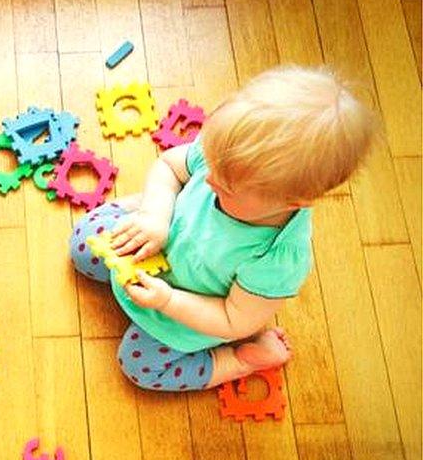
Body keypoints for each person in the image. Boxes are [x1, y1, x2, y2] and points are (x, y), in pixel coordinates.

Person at [69, 66, 378, 391]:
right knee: (82, 245)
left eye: (226, 188)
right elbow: (169, 166)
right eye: (211, 163)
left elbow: (234, 320)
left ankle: (240, 362)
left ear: (294, 201)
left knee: (140, 366)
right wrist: (153, 216)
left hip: (187, 309)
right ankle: (151, 206)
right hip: (158, 241)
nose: (209, 179)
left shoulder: (277, 259)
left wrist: (167, 302)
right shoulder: (226, 156)